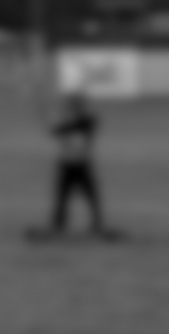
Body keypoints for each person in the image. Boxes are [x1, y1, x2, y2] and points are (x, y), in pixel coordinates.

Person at [30, 91, 118, 241]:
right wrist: (51, 123)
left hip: (82, 166)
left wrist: (55, 125)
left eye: (73, 106)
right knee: (62, 198)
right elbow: (56, 131)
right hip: (67, 166)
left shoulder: (86, 123)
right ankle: (59, 225)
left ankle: (96, 225)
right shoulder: (70, 124)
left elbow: (74, 126)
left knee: (92, 197)